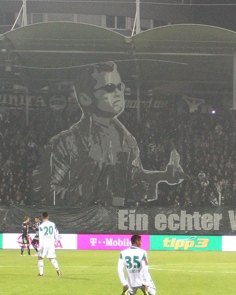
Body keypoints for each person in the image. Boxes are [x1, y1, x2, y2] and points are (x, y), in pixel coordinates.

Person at [31, 61, 185, 207]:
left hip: (114, 222)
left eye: (120, 87)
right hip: (81, 224)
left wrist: (163, 176)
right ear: (85, 98)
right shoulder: (66, 142)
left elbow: (134, 179)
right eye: (110, 88)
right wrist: (90, 198)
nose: (118, 93)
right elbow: (44, 190)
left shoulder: (127, 140)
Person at [37, 212, 62, 277]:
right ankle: (57, 269)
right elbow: (56, 234)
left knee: (40, 257)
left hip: (44, 244)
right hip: (51, 243)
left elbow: (41, 237)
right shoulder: (52, 224)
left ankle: (41, 273)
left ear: (42, 217)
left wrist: (40, 247)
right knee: (52, 258)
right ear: (48, 216)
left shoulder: (41, 226)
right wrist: (55, 241)